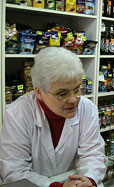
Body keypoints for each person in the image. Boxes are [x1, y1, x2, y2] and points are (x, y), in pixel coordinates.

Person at [0, 47, 107, 187]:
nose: (73, 100)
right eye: (62, 94)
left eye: (77, 89)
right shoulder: (18, 114)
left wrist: (88, 179)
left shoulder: (87, 108)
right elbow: (14, 171)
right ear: (39, 92)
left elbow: (93, 154)